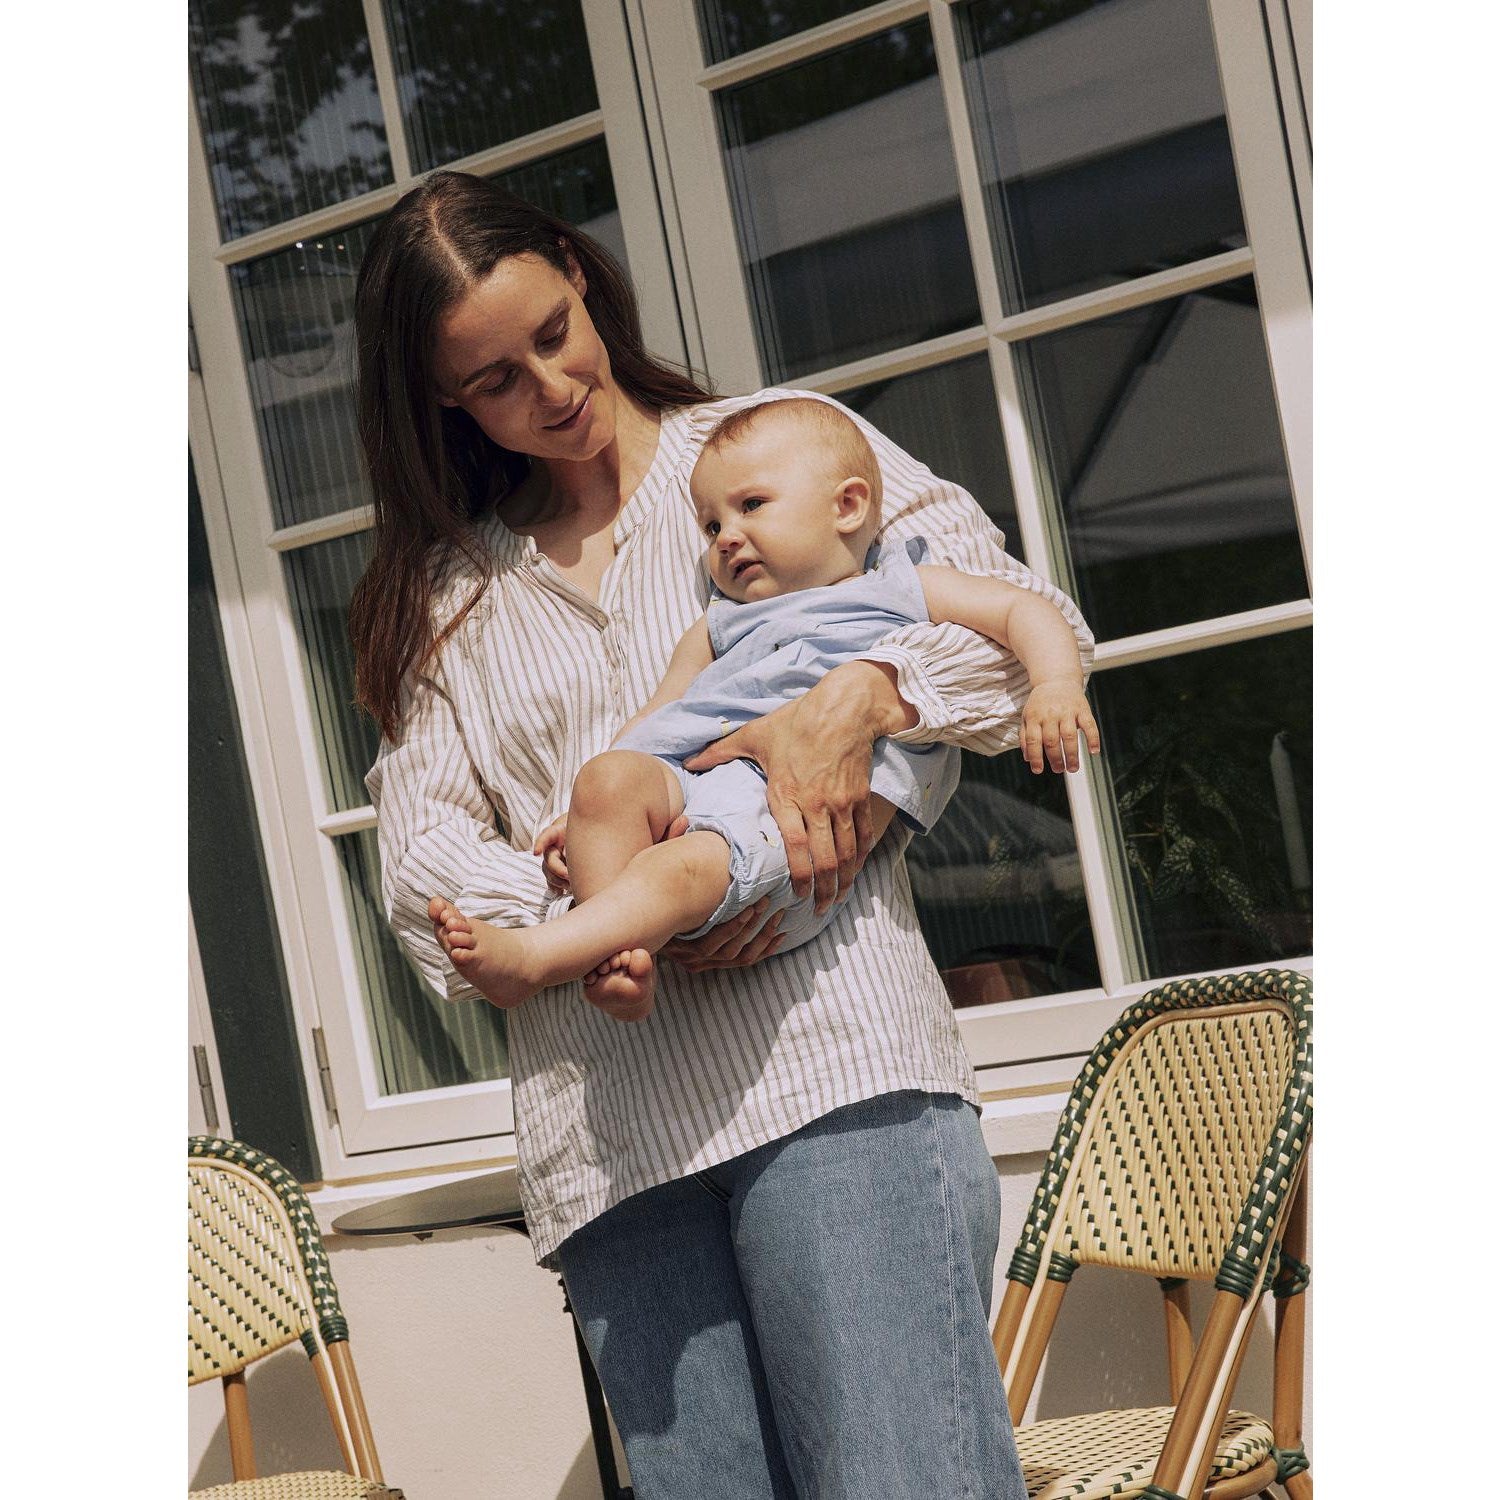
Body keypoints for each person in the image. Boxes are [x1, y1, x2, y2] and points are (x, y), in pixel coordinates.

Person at [351, 169, 1094, 1500]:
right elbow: (420, 863)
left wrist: (868, 702)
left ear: (582, 276)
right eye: (496, 381)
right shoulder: (446, 594)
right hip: (615, 1139)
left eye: (554, 335)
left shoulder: (770, 454)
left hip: (836, 1076)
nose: (551, 388)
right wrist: (598, 918)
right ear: (443, 402)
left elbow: (1015, 628)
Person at [429, 396, 1099, 1023]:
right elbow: (658, 718)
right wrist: (582, 817)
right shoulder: (720, 622)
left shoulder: (898, 586)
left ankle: (540, 958)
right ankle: (619, 962)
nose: (726, 537)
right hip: (700, 785)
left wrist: (1056, 684)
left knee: (676, 869)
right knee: (605, 779)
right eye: (712, 524)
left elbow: (1022, 608)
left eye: (752, 505)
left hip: (790, 826)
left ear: (847, 506)